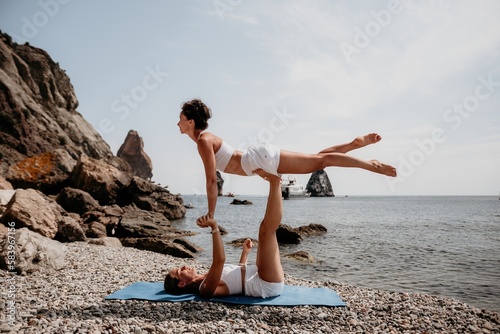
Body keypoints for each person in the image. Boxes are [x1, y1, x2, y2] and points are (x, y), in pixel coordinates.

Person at [177, 98, 397, 220]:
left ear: (191, 122)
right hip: (258, 159)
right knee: (318, 159)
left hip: (259, 160)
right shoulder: (204, 139)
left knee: (321, 162)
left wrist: (211, 214)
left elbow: (211, 180)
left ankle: (372, 165)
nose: (178, 123)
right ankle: (353, 144)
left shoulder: (204, 141)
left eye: (181, 119)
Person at [164, 169, 285, 299]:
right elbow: (220, 260)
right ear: (182, 284)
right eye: (179, 271)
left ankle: (275, 181)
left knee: (264, 230)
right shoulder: (205, 289)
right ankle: (276, 181)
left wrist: (245, 253)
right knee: (266, 231)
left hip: (257, 273)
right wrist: (214, 227)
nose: (183, 266)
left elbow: (236, 276)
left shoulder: (206, 277)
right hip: (265, 284)